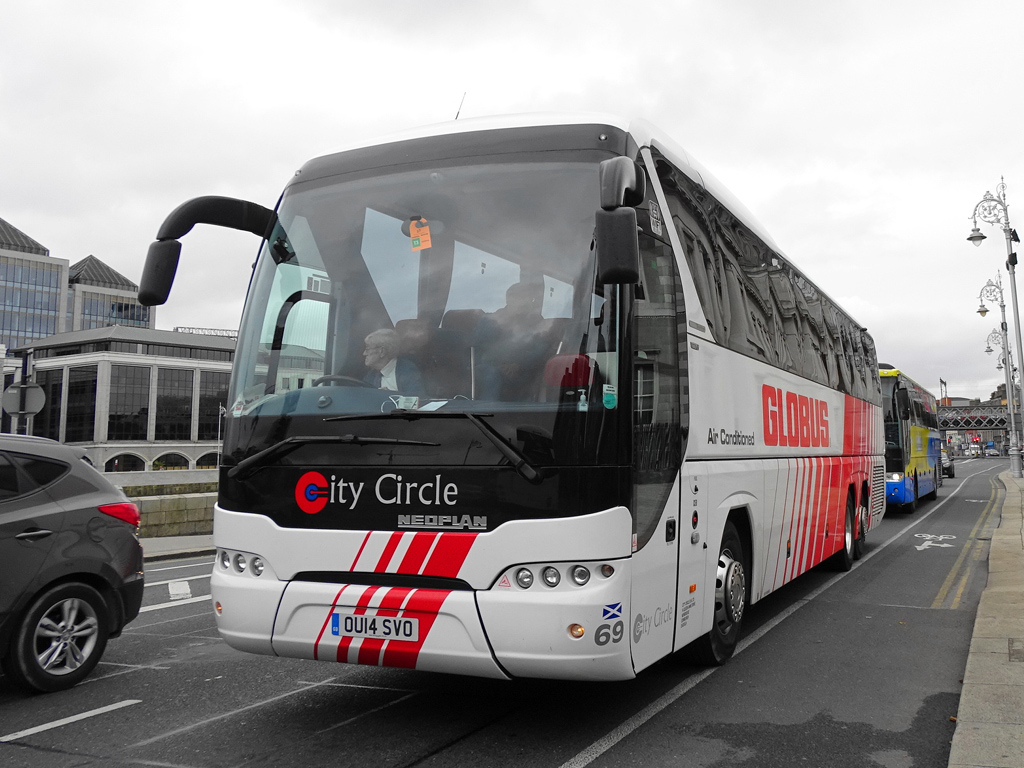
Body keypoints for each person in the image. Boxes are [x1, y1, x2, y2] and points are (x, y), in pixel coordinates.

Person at [362, 329, 425, 395]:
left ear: (382, 351)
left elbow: (417, 399)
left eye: (367, 349)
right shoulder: (371, 375)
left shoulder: (407, 371)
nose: (364, 353)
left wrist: (391, 395)